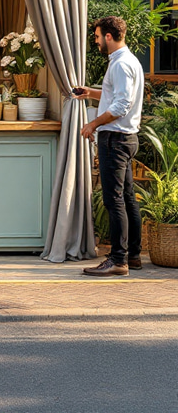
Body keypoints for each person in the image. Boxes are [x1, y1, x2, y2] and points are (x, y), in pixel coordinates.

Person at [75, 16, 144, 277]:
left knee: (113, 200)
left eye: (96, 36)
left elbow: (120, 106)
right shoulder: (128, 61)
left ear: (108, 36)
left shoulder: (120, 64)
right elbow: (116, 96)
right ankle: (133, 256)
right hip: (126, 138)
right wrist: (89, 93)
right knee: (127, 199)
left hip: (115, 139)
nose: (95, 40)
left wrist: (93, 124)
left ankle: (117, 260)